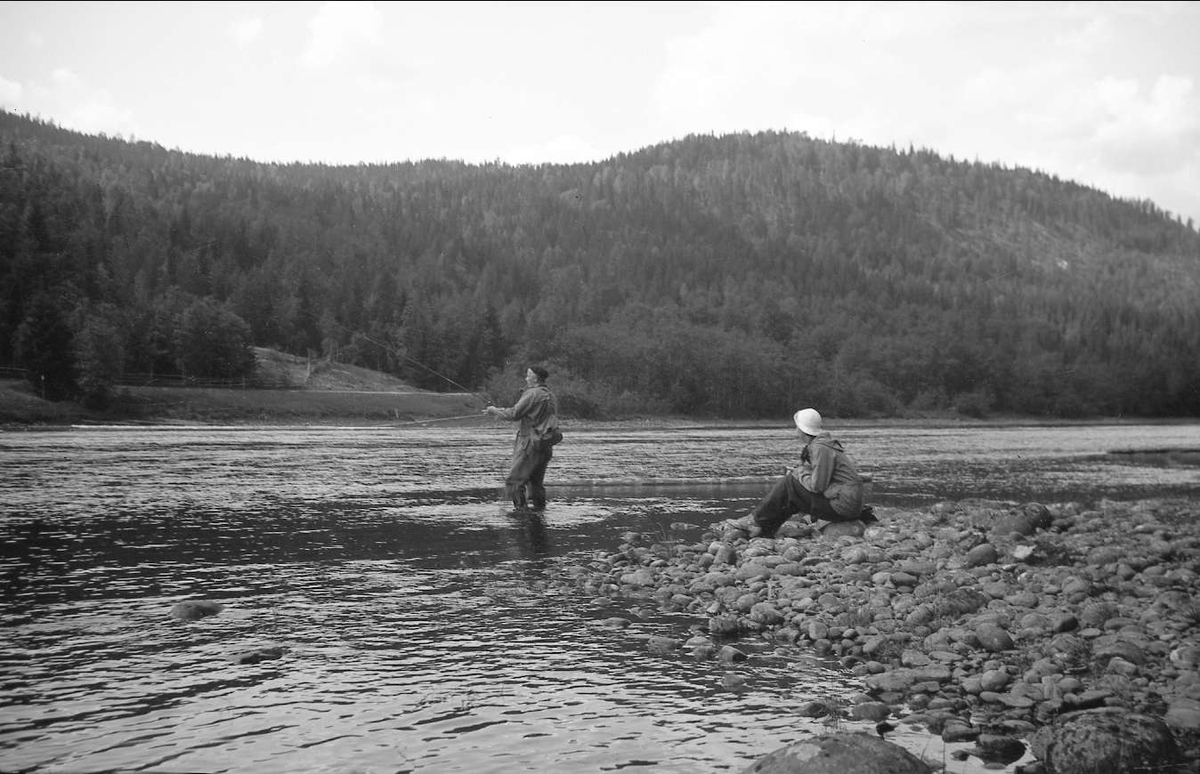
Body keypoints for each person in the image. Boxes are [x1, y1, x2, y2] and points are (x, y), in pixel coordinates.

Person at [744, 407, 874, 538]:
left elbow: (817, 486)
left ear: (802, 429)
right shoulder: (823, 445)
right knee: (792, 493)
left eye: (797, 427)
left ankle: (755, 521)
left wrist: (799, 473)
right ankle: (766, 530)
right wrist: (802, 473)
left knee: (790, 483)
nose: (796, 430)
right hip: (847, 504)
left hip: (843, 507)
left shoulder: (820, 448)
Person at [483, 365, 561, 511]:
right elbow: (527, 413)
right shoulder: (550, 395)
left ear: (535, 378)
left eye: (528, 375)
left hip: (529, 445)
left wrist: (494, 411)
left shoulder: (532, 394)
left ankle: (520, 516)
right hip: (544, 445)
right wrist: (498, 411)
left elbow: (514, 414)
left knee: (514, 482)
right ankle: (539, 516)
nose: (526, 378)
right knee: (536, 483)